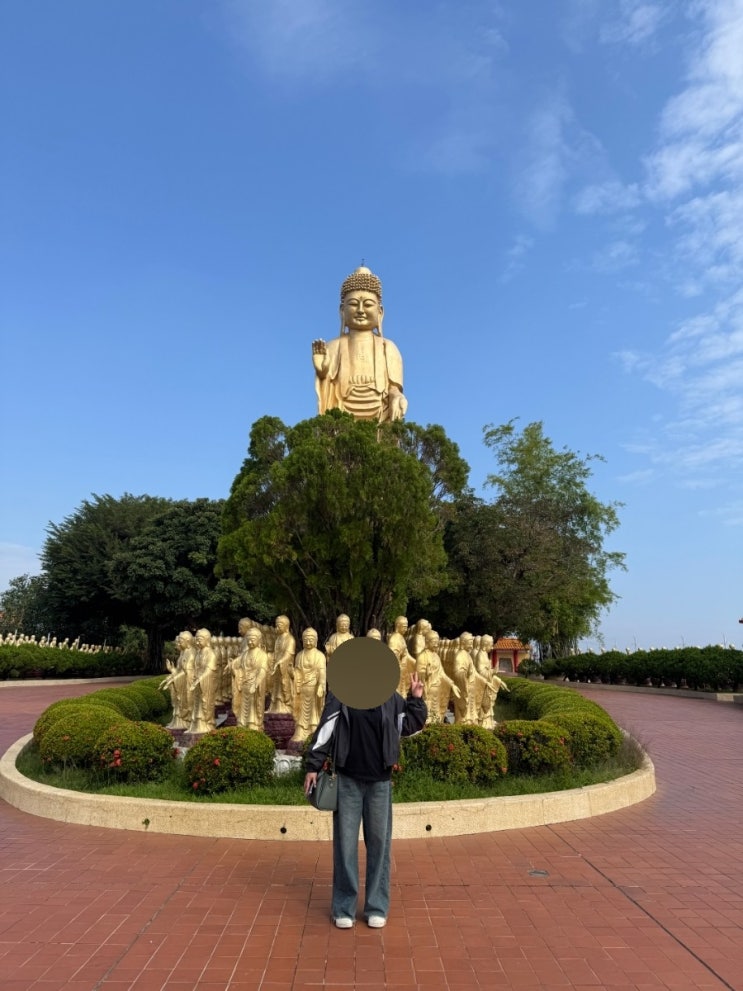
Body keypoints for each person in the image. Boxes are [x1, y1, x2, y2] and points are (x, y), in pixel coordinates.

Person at [303, 673, 427, 929]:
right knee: (345, 846)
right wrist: (313, 766)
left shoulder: (390, 697)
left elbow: (410, 726)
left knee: (379, 845)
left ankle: (376, 907)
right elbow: (325, 731)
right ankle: (343, 908)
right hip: (348, 780)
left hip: (379, 782)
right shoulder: (341, 695)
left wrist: (415, 699)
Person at [312, 265, 408, 423]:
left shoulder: (388, 347)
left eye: (368, 304)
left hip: (380, 416)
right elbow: (327, 390)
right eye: (353, 304)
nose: (361, 310)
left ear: (380, 312)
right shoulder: (332, 347)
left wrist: (397, 397)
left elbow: (393, 389)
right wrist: (322, 373)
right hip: (341, 416)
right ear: (342, 311)